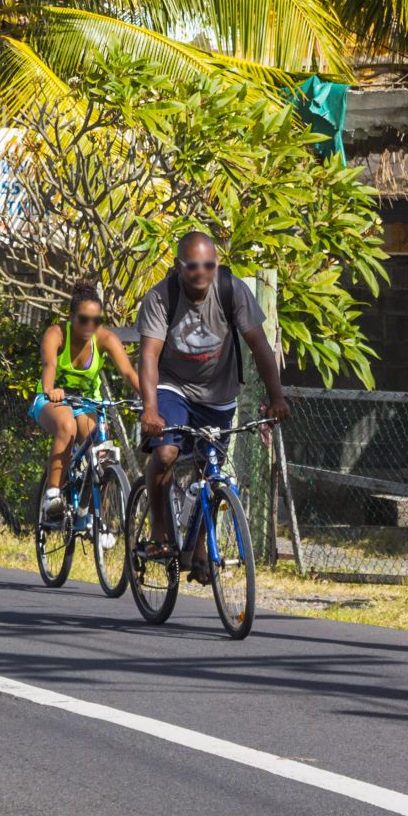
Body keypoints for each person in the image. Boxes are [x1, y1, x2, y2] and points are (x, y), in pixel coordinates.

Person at [137, 231, 289, 575]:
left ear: (216, 264)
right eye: (193, 266)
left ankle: (202, 550)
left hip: (218, 393)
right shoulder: (161, 298)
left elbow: (260, 347)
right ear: (179, 266)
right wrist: (149, 408)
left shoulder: (232, 290)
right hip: (171, 386)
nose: (202, 272)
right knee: (165, 454)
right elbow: (148, 356)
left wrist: (276, 396)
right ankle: (160, 529)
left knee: (212, 472)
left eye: (209, 264)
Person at [33, 281, 142, 525]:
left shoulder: (105, 339)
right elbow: (49, 366)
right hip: (52, 399)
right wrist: (51, 390)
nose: (90, 326)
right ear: (71, 317)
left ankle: (91, 513)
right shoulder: (56, 333)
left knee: (102, 455)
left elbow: (128, 373)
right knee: (66, 426)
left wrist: (150, 399)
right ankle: (52, 495)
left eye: (96, 320)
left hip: (85, 402)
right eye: (83, 319)